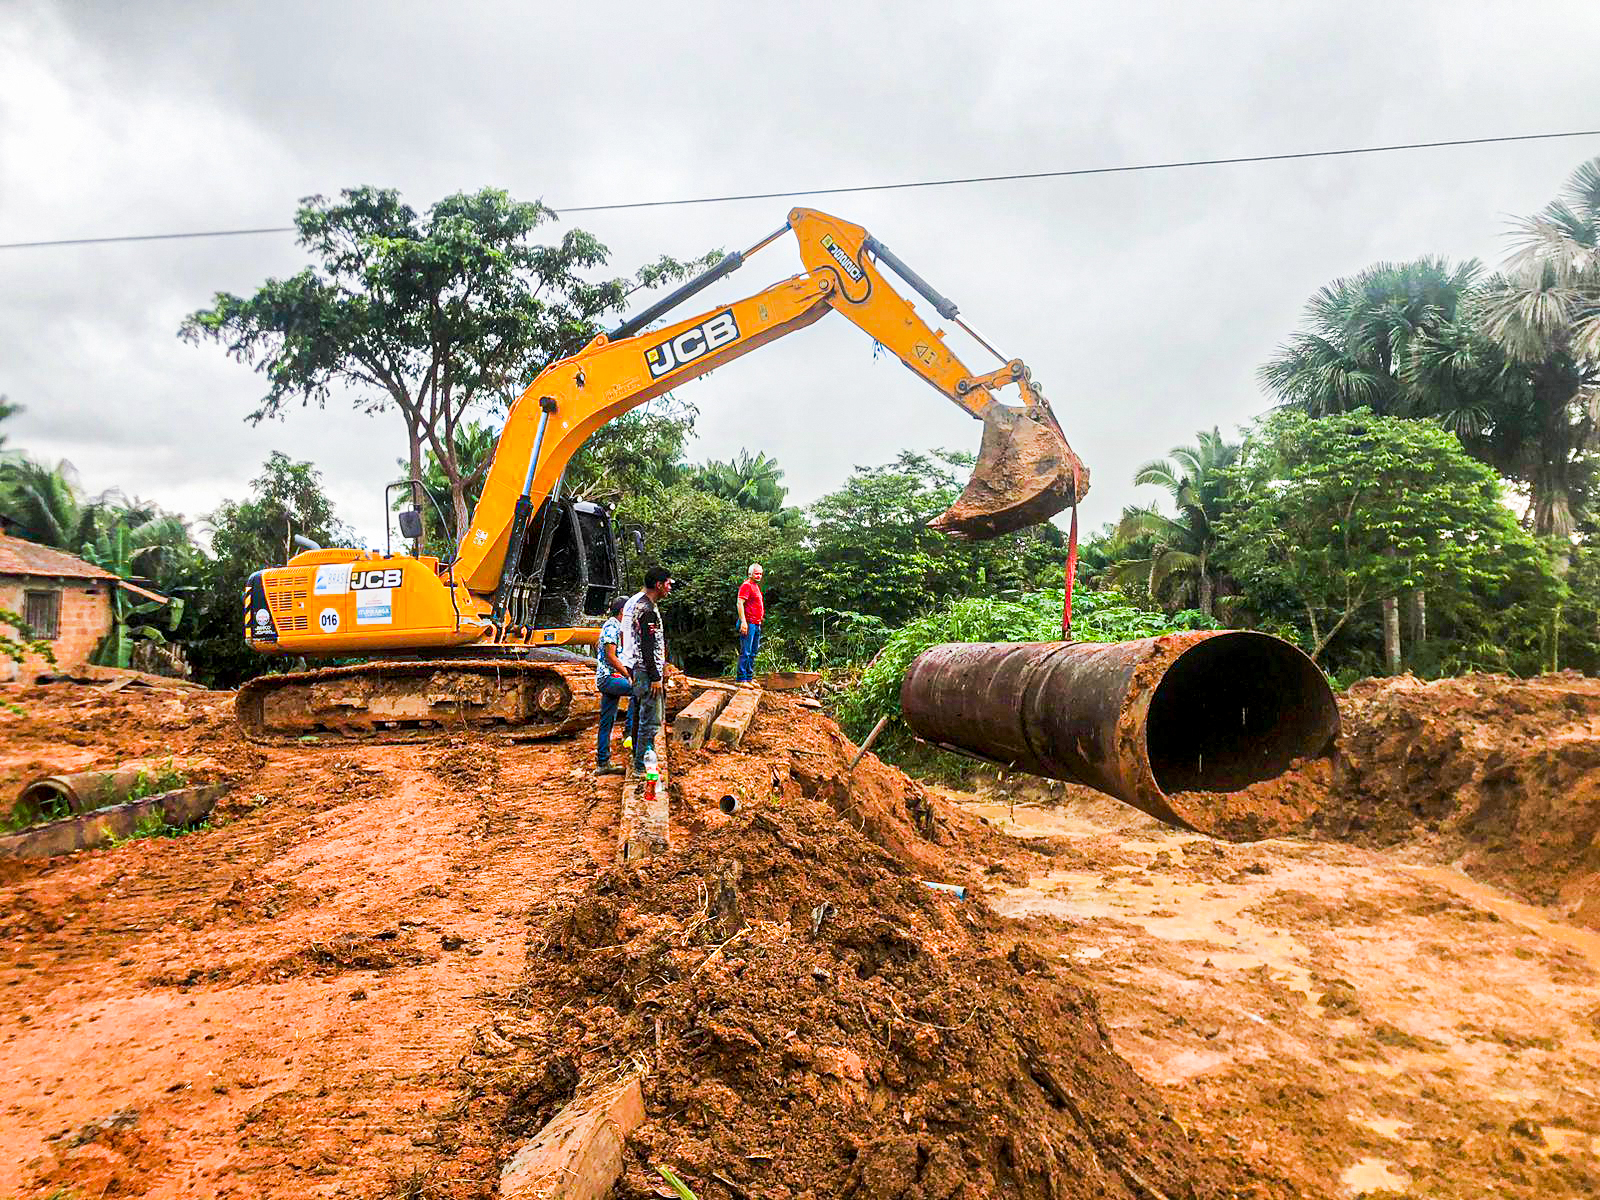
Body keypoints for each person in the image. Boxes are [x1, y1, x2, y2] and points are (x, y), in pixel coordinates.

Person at [621, 566, 673, 772]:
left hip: (642, 670)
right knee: (649, 721)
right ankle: (641, 765)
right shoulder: (647, 610)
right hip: (646, 672)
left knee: (643, 717)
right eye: (668, 583)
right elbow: (647, 645)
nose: (669, 588)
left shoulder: (644, 605)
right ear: (658, 585)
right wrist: (655, 676)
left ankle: (640, 758)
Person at [593, 595, 632, 776]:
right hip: (608, 678)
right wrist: (628, 674)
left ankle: (603, 762)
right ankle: (630, 733)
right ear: (623, 611)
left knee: (607, 720)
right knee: (640, 690)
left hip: (611, 677)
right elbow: (611, 655)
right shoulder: (611, 626)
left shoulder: (617, 627)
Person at [735, 562, 764, 684]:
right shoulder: (746, 585)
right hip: (749, 623)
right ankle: (741, 679)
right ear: (750, 573)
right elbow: (739, 603)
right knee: (746, 652)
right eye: (756, 573)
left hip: (756, 623)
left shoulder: (755, 586)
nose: (759, 576)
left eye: (761, 574)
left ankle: (749, 678)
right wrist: (743, 622)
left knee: (753, 652)